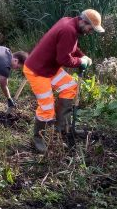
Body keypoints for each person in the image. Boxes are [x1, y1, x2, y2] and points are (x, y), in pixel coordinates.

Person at [23, 9, 104, 152]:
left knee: (69, 86)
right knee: (47, 108)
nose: (90, 32)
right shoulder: (68, 30)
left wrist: (83, 56)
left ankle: (62, 128)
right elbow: (64, 59)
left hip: (49, 68)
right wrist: (80, 62)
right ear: (83, 22)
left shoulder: (69, 22)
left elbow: (70, 47)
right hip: (37, 71)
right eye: (90, 28)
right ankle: (38, 139)